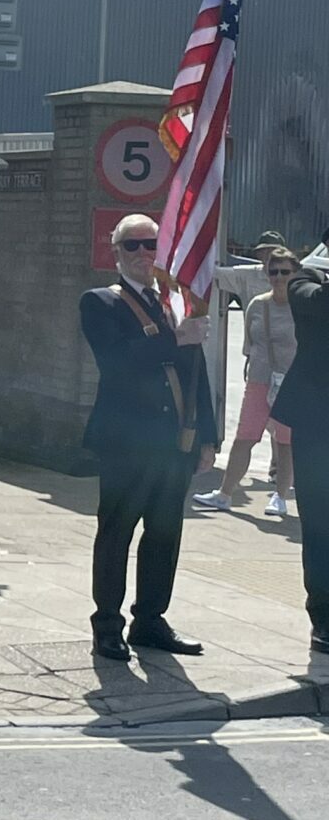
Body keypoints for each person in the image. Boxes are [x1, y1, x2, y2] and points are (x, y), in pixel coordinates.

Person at [80, 213, 217, 662]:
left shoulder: (174, 302)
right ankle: (107, 624)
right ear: (116, 252)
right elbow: (117, 362)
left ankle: (151, 620)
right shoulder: (101, 301)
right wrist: (176, 337)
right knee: (116, 532)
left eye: (150, 245)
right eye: (133, 246)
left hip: (173, 441)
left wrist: (207, 438)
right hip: (125, 442)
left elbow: (196, 374)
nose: (143, 254)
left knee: (164, 534)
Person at [195, 246, 300, 517]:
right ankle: (224, 493)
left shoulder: (302, 307)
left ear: (295, 274)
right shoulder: (257, 304)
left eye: (284, 272)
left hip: (291, 383)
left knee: (287, 442)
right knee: (245, 437)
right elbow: (249, 345)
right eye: (273, 271)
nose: (277, 277)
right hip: (259, 380)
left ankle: (280, 496)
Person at [270, 245, 328, 653]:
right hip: (319, 424)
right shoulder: (306, 283)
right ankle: (324, 615)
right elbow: (316, 306)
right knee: (322, 523)